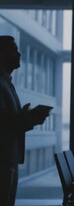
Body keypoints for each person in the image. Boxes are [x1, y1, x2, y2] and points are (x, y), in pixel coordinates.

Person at [0, 35, 51, 206]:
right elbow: (4, 124)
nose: (19, 54)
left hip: (8, 159)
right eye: (13, 50)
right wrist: (29, 118)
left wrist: (24, 117)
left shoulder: (6, 82)